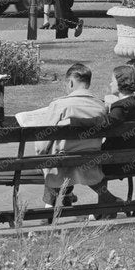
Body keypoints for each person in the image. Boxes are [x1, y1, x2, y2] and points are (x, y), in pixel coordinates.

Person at [29, 63, 109, 209]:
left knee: (52, 155)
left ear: (71, 82)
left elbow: (42, 143)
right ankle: (66, 195)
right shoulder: (101, 106)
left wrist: (40, 155)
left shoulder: (60, 105)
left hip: (60, 163)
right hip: (91, 162)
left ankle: (52, 203)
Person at [96, 65, 135, 207]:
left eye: (112, 81)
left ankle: (107, 203)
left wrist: (106, 109)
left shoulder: (121, 107)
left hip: (117, 162)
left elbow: (104, 126)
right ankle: (104, 207)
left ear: (121, 82)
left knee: (84, 165)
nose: (110, 84)